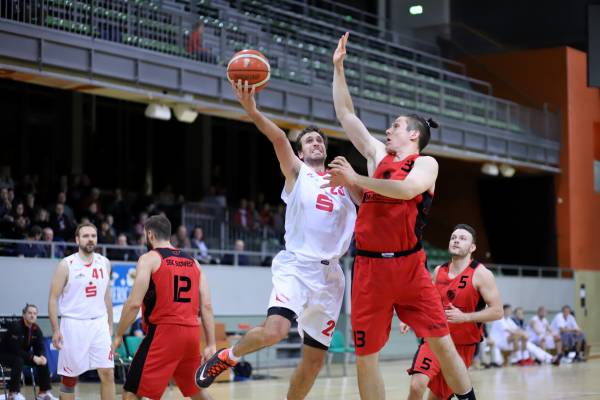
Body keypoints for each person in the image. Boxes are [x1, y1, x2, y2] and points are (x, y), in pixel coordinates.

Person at [329, 32, 476, 400]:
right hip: (368, 269)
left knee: (442, 342)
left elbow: (406, 191)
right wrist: (338, 69)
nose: (387, 130)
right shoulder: (379, 158)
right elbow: (346, 114)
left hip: (410, 268)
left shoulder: (425, 163)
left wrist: (355, 179)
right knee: (366, 356)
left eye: (394, 126)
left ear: (412, 133)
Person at [195, 80, 357, 400]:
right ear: (300, 151)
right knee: (275, 332)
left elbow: (370, 203)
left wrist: (354, 178)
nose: (315, 143)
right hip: (297, 266)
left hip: (331, 277)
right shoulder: (298, 174)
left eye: (319, 140)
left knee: (313, 362)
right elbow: (279, 137)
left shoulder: (346, 184)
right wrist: (253, 110)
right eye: (309, 140)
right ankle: (228, 357)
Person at [111, 215, 216, 400]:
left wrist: (118, 334)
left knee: (130, 392)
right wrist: (211, 343)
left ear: (150, 234)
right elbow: (206, 306)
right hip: (192, 333)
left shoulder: (149, 259)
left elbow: (134, 303)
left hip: (164, 334)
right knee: (196, 391)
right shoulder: (194, 262)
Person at [407, 224, 503, 400]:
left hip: (462, 346)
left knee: (437, 397)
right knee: (416, 386)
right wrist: (410, 318)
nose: (456, 240)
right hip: (436, 340)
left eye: (462, 238)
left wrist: (465, 317)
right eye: (453, 237)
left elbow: (497, 311)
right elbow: (428, 302)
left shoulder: (481, 274)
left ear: (472, 247)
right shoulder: (439, 271)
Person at [48, 223, 115, 400]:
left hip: (99, 323)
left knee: (108, 373)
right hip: (73, 325)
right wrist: (55, 329)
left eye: (93, 235)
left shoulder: (105, 263)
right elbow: (53, 299)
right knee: (69, 379)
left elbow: (107, 296)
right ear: (77, 239)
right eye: (85, 236)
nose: (90, 239)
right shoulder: (66, 265)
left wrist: (110, 325)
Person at [0, 304, 57, 400]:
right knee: (18, 360)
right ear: (23, 315)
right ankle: (13, 394)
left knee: (43, 361)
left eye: (35, 313)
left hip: (22, 356)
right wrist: (33, 357)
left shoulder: (36, 329)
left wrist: (42, 356)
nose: (32, 315)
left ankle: (43, 392)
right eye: (29, 313)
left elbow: (40, 347)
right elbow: (15, 350)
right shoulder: (16, 327)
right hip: (5, 355)